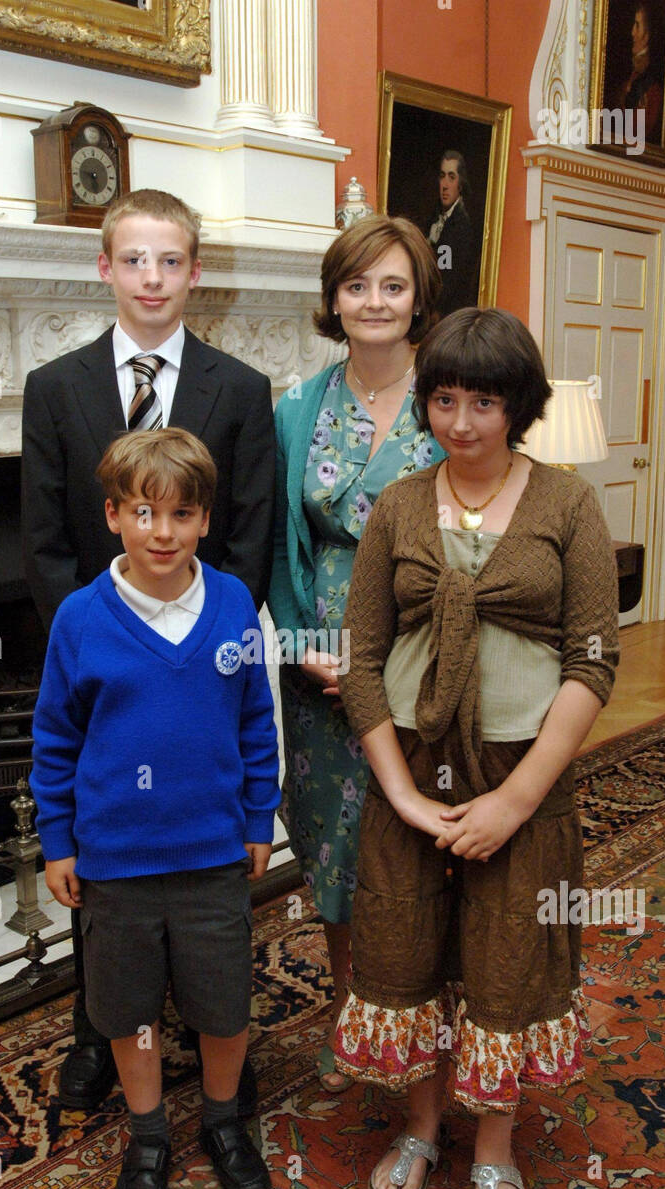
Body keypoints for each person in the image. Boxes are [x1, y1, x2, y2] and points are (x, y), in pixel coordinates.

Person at [334, 307, 619, 1189]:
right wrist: (404, 795)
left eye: (484, 402)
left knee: (507, 959)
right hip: (410, 766)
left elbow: (591, 663)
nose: (461, 421)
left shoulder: (568, 506)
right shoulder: (399, 505)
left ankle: (492, 1146)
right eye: (444, 398)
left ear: (518, 405)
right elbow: (363, 658)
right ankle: (420, 1130)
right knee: (408, 952)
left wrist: (514, 799)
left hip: (520, 774)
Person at [21, 188, 276, 1113]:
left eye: (170, 261)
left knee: (201, 903)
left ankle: (219, 1053)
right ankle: (104, 1030)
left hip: (200, 651)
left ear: (194, 272)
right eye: (134, 259)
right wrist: (93, 644)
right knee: (110, 872)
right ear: (106, 269)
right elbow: (45, 537)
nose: (152, 278)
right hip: (100, 664)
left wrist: (213, 633)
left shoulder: (240, 390)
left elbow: (249, 533)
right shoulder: (54, 386)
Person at [29, 427, 281, 1189]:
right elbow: (55, 736)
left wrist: (257, 814)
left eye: (180, 514)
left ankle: (220, 1121)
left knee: (222, 1003)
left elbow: (255, 720)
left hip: (211, 853)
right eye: (144, 512)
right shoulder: (79, 619)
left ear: (205, 520)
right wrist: (59, 839)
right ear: (113, 515)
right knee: (128, 1007)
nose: (162, 532)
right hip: (116, 860)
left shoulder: (234, 605)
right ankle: (146, 1139)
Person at [267, 215, 443, 1092]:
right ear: (333, 299)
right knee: (334, 854)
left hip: (421, 676)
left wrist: (400, 663)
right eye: (356, 285)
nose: (373, 302)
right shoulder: (296, 408)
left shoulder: (449, 400)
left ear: (418, 298)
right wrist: (304, 647)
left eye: (392, 285)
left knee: (412, 854)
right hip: (318, 680)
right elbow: (277, 543)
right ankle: (351, 1018)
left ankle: (423, 1016)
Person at [427, 151, 478, 317]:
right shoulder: (435, 217)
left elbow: (449, 277)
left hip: (448, 312)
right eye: (442, 176)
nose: (445, 185)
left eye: (451, 177)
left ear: (461, 183)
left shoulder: (461, 226)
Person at [614, 3, 663, 147]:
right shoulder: (632, 75)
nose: (632, 32)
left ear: (647, 36)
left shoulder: (652, 88)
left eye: (637, 25)